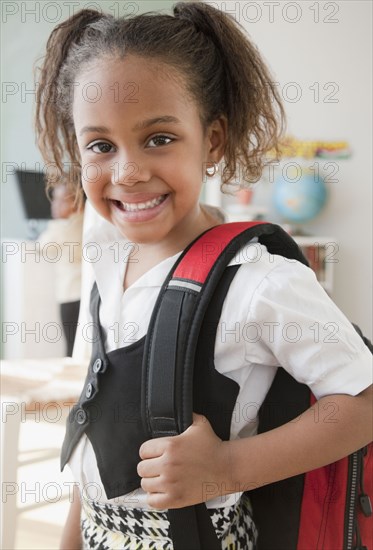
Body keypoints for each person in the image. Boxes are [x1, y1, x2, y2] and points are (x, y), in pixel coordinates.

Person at [34, 3, 372, 549]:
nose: (128, 172)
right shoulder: (103, 257)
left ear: (212, 141)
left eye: (159, 138)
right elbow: (97, 432)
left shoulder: (257, 280)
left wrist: (226, 467)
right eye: (100, 146)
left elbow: (362, 403)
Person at [37, 182, 84, 356]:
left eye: (61, 201)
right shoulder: (88, 222)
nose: (54, 205)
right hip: (87, 295)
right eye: (54, 200)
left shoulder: (61, 227)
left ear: (75, 202)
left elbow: (42, 246)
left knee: (70, 347)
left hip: (70, 294)